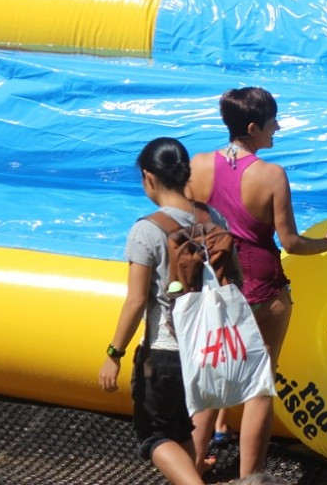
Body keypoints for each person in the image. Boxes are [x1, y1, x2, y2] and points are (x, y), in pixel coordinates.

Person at [186, 86, 327, 476]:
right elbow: (292, 243)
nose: (277, 127)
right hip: (262, 287)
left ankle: (193, 469)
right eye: (271, 122)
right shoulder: (271, 175)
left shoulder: (196, 166)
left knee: (211, 383)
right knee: (258, 386)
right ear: (252, 128)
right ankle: (251, 479)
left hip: (217, 286)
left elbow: (192, 228)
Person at [98, 137, 223, 485]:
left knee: (153, 435)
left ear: (149, 177)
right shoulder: (213, 218)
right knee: (181, 429)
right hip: (209, 348)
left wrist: (114, 353)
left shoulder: (147, 229)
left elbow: (137, 300)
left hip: (166, 352)